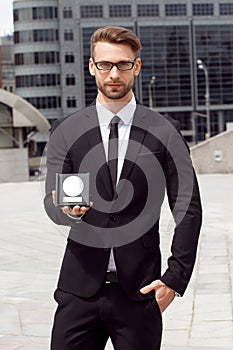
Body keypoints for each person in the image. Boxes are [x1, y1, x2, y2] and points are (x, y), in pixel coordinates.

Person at [44, 26, 202, 350]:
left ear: (137, 67)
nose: (113, 73)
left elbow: (188, 206)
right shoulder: (67, 131)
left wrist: (175, 278)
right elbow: (52, 200)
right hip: (78, 289)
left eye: (123, 64)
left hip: (139, 292)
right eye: (105, 64)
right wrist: (64, 209)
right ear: (91, 66)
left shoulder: (164, 131)